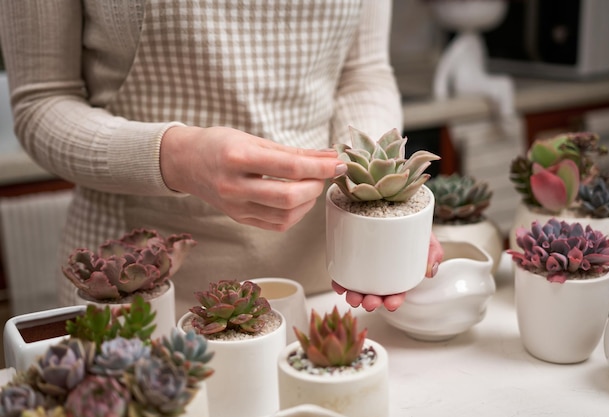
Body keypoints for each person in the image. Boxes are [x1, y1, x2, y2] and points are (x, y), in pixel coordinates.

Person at [0, 0, 442, 317]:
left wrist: (380, 205)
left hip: (330, 280)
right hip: (142, 288)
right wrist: (177, 158)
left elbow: (362, 72)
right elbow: (42, 103)